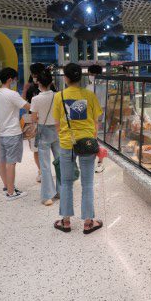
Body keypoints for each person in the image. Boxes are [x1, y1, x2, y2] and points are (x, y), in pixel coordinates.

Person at [53, 63, 103, 234]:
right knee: (87, 183)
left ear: (65, 78)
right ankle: (88, 223)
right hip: (88, 143)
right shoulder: (89, 95)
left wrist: (65, 136)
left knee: (66, 182)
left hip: (67, 143)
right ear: (80, 77)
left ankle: (66, 221)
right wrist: (94, 140)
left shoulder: (59, 96)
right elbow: (96, 122)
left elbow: (57, 124)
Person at [0, 67, 30, 201]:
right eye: (15, 80)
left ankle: (7, 186)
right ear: (10, 79)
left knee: (3, 161)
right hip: (13, 132)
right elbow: (28, 107)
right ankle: (11, 192)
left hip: (2, 132)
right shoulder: (12, 94)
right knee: (11, 163)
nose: (15, 82)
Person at [22, 62, 56, 182]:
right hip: (44, 123)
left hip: (39, 122)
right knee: (40, 149)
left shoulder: (45, 87)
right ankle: (42, 171)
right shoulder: (33, 87)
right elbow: (23, 102)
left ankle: (43, 172)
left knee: (39, 149)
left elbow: (24, 103)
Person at [30, 69, 60, 206]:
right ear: (51, 82)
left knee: (45, 165)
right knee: (59, 162)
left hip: (43, 131)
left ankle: (48, 196)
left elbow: (34, 118)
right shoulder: (58, 96)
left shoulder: (35, 99)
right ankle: (61, 192)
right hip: (58, 130)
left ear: (39, 83)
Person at [87, 64, 106, 173]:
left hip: (92, 115)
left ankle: (97, 162)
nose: (91, 75)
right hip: (101, 113)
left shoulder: (88, 87)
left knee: (94, 137)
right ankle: (100, 162)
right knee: (98, 137)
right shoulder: (105, 85)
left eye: (91, 73)